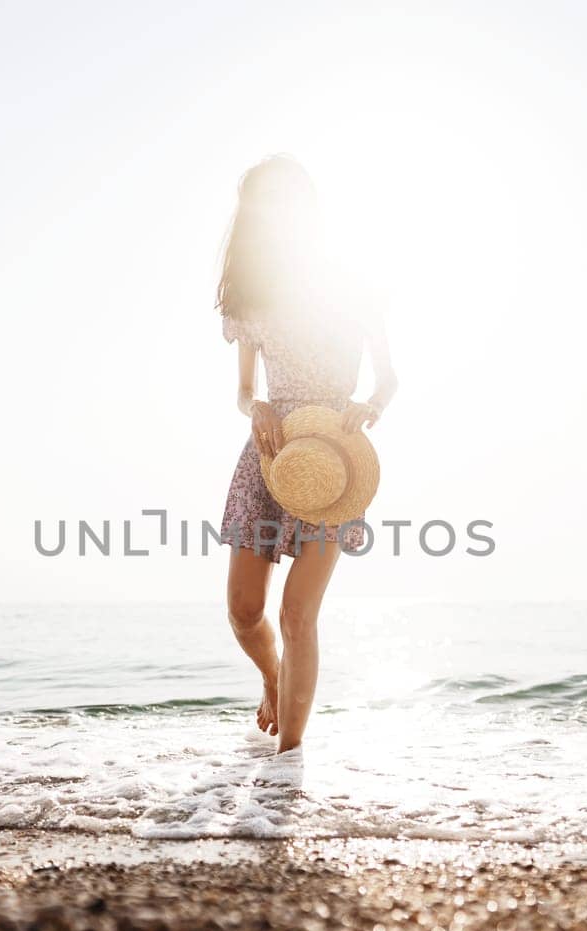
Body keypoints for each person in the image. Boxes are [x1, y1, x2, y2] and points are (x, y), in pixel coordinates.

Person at [215, 155, 398, 753]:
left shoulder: (351, 282)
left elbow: (388, 378)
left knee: (298, 614)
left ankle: (286, 764)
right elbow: (245, 392)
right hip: (270, 453)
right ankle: (273, 677)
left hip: (334, 458)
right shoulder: (251, 296)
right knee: (245, 610)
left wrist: (371, 404)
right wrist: (256, 407)